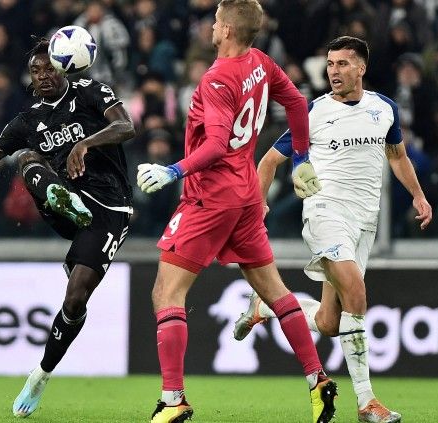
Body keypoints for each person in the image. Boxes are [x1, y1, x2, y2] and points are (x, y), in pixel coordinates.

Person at [0, 36, 135, 418]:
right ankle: (61, 199)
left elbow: (127, 127)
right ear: (30, 77)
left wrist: (87, 144)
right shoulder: (28, 121)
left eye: (49, 67)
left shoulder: (93, 92)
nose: (43, 75)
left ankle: (41, 375)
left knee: (76, 297)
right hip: (64, 200)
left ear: (64, 65)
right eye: (36, 71)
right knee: (27, 157)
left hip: (110, 207)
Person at [136, 1, 336, 422]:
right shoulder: (260, 62)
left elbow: (214, 146)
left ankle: (173, 401)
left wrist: (172, 170)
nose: (210, 26)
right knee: (274, 291)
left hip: (210, 198)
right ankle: (318, 381)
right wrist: (300, 159)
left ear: (226, 29)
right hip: (246, 195)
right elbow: (299, 105)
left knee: (166, 293)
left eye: (214, 21)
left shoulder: (215, 79)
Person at [234, 36, 433, 423]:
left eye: (343, 64)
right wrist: (258, 204)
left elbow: (398, 156)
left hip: (365, 220)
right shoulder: (313, 112)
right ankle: (366, 402)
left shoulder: (384, 109)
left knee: (329, 322)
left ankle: (266, 306)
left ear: (361, 68)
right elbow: (268, 162)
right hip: (325, 212)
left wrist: (419, 197)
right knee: (356, 288)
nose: (334, 71)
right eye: (330, 64)